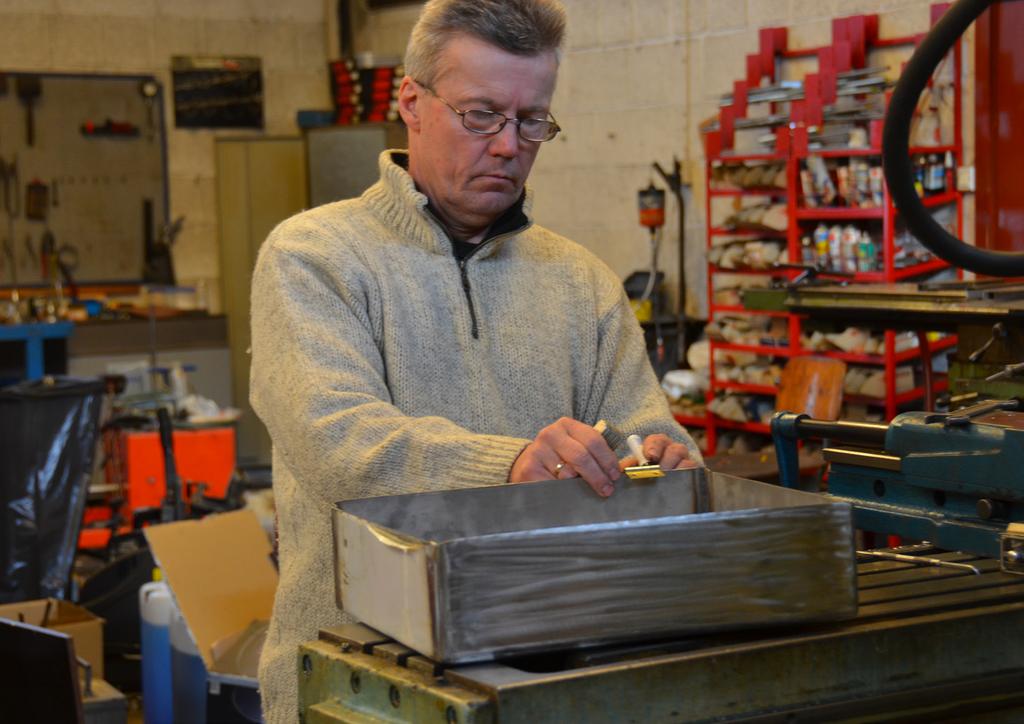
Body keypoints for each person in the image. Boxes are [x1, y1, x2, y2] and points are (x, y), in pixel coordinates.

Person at [250, 0, 700, 719]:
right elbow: (338, 443)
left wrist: (667, 462)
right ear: (412, 104)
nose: (507, 146)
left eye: (531, 122)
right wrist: (511, 466)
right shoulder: (314, 259)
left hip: (549, 681)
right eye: (481, 115)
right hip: (357, 683)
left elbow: (647, 430)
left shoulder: (581, 280)